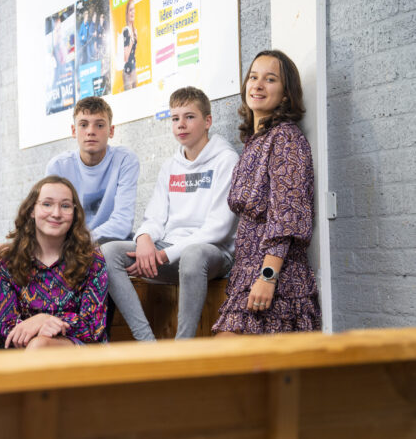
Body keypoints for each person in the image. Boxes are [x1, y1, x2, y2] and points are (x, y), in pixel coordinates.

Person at [101, 87, 238, 340]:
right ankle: (147, 342)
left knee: (193, 254)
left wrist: (163, 254)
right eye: (175, 118)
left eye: (189, 117)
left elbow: (218, 228)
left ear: (208, 121)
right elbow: (154, 219)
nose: (181, 125)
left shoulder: (226, 160)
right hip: (169, 254)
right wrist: (144, 240)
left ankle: (181, 347)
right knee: (109, 253)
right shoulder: (170, 166)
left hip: (211, 254)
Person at [212, 50, 322, 335]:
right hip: (246, 274)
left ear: (286, 94)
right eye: (253, 77)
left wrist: (268, 277)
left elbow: (288, 216)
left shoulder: (285, 138)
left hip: (277, 278)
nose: (257, 85)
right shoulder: (254, 142)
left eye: (270, 79)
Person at [0, 176, 108, 349]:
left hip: (84, 351)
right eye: (47, 204)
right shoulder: (8, 262)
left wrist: (46, 321)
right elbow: (6, 325)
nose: (56, 213)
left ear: (75, 213)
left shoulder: (91, 258)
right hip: (26, 349)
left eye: (65, 206)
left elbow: (93, 326)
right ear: (32, 210)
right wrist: (40, 327)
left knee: (40, 346)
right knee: (37, 346)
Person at [46, 96, 139, 244]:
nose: (91, 131)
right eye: (83, 125)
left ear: (111, 131)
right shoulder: (58, 167)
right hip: (68, 244)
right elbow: (50, 219)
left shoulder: (125, 160)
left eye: (100, 125)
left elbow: (123, 223)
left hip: (109, 243)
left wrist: (82, 242)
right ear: (73, 130)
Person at [122, 0, 138, 90]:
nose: (133, 12)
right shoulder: (126, 31)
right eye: (130, 10)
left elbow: (133, 53)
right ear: (127, 13)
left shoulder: (135, 30)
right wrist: (132, 40)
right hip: (127, 72)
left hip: (134, 69)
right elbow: (126, 57)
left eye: (134, 9)